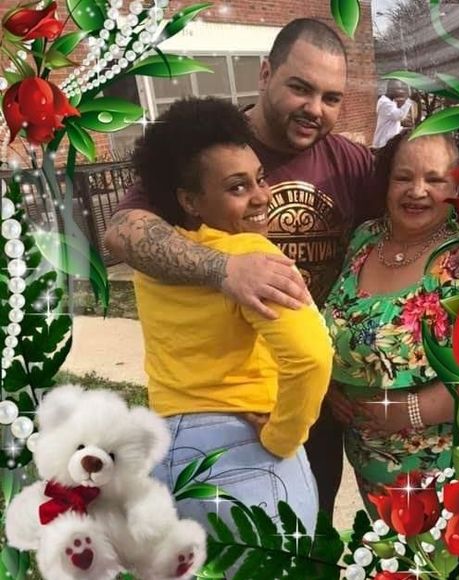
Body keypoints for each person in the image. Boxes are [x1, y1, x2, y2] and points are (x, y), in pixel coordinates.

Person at [105, 18, 459, 520]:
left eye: (331, 98)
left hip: (319, 405)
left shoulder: (350, 164)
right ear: (266, 73)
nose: (315, 109)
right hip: (232, 403)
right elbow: (124, 231)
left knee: (312, 530)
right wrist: (226, 268)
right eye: (301, 88)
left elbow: (419, 191)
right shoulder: (210, 150)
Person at [131, 96, 333, 534]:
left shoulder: (157, 260)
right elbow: (311, 358)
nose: (261, 196)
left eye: (260, 179)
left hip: (164, 454)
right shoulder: (250, 255)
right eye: (237, 188)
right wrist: (282, 437)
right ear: (190, 200)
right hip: (243, 458)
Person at [322, 132, 459, 510]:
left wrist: (413, 409)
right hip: (372, 476)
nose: (417, 191)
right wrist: (332, 383)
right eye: (403, 177)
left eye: (435, 179)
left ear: (457, 188)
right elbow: (339, 325)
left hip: (450, 478)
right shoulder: (364, 239)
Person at [371, 83, 414, 149]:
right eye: (398, 89)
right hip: (384, 143)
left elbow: (391, 123)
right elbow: (400, 116)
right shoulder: (385, 103)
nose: (400, 92)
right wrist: (409, 101)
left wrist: (402, 129)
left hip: (388, 141)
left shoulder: (391, 102)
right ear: (391, 90)